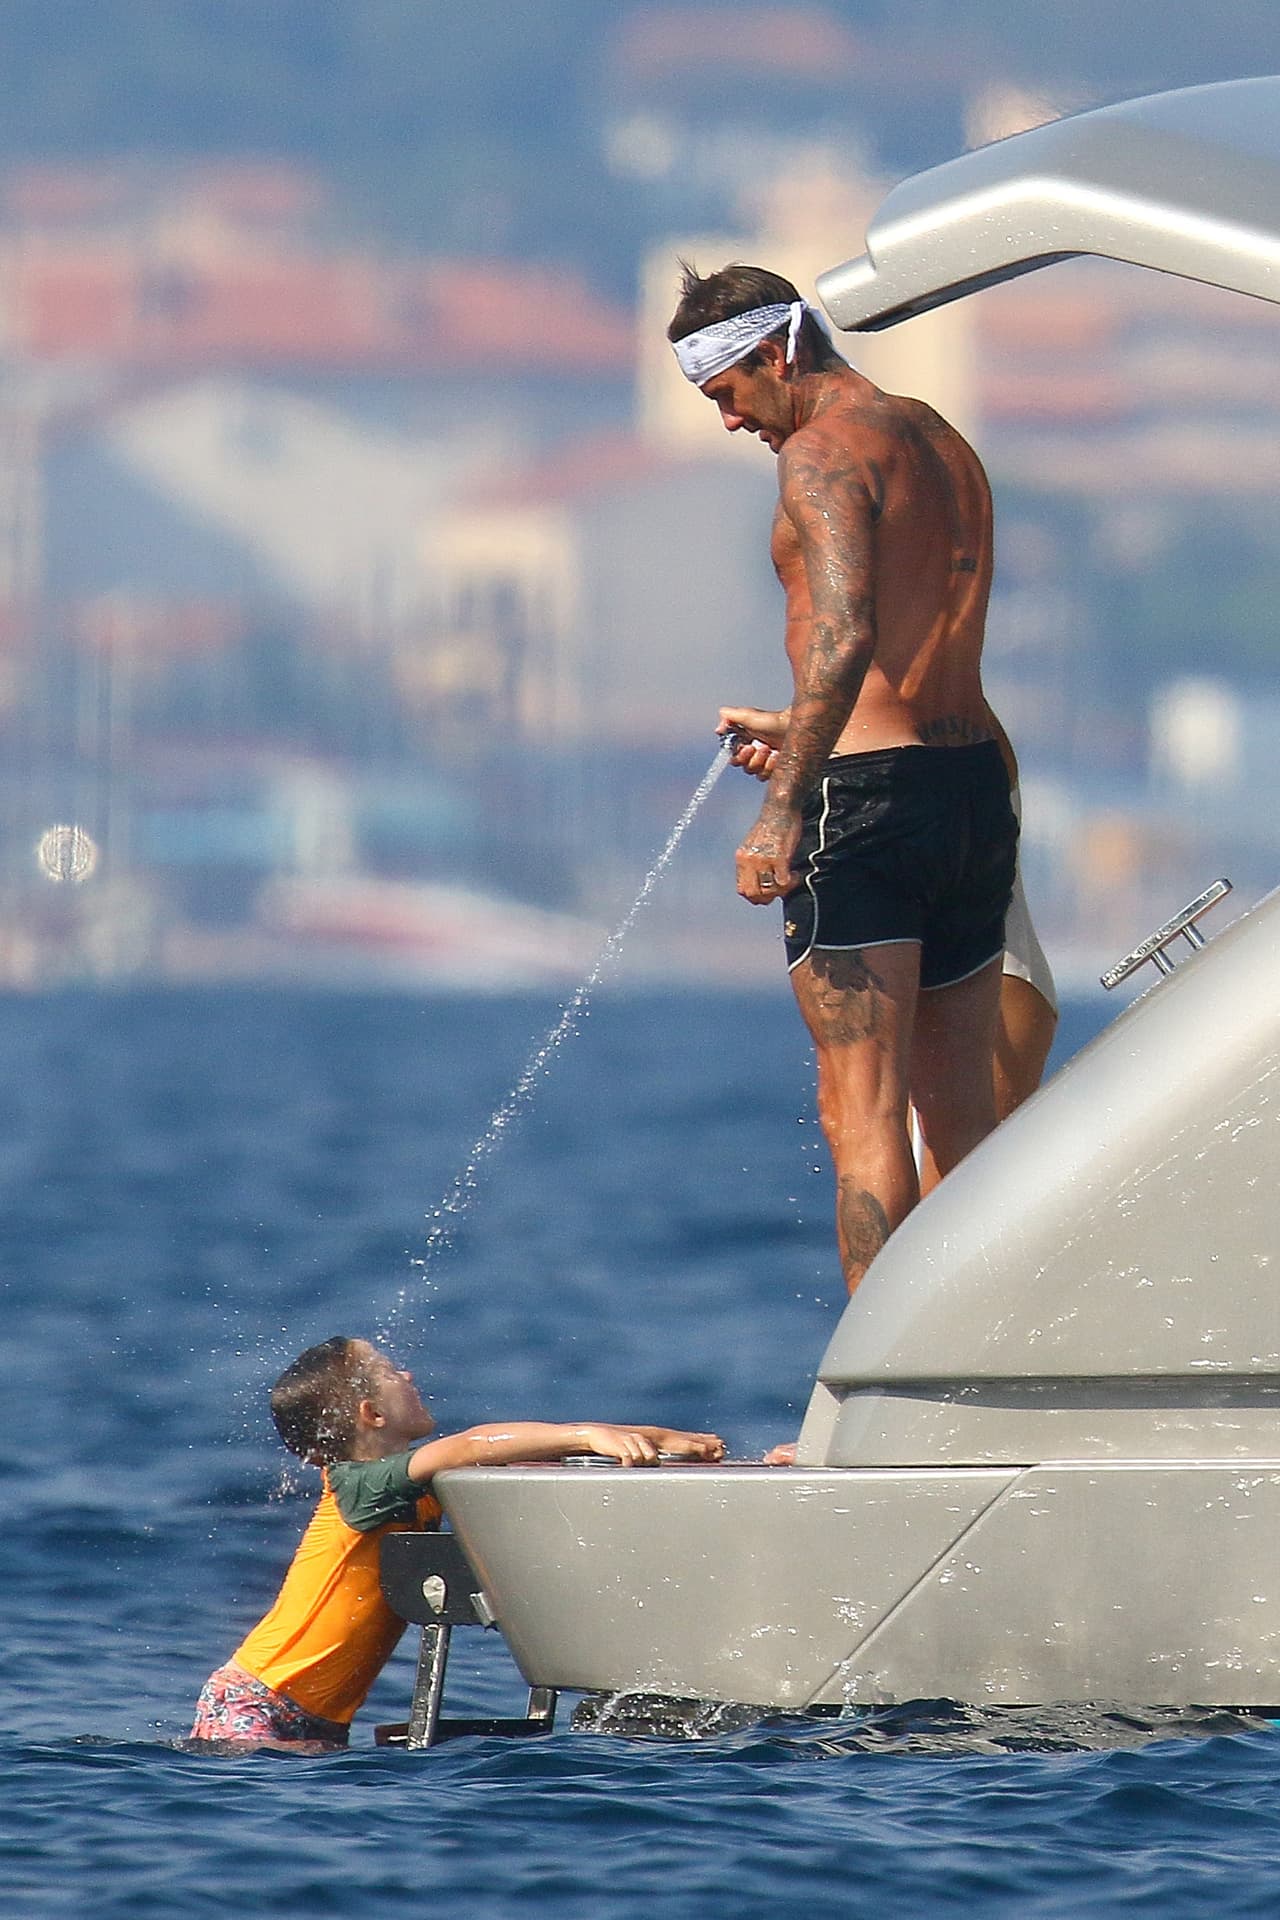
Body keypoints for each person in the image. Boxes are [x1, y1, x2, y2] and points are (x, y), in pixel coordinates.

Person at [668, 261, 1020, 1293]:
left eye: (727, 395)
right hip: (968, 792)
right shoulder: (936, 438)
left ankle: (881, 1396)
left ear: (773, 356)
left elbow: (847, 628)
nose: (731, 424)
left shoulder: (820, 455)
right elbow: (911, 648)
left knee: (859, 1115)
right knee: (962, 1119)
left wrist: (781, 810)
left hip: (862, 810)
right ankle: (977, 1375)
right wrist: (803, 729)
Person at [190, 1335, 724, 1750]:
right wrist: (584, 1434)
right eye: (388, 1371)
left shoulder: (419, 1486)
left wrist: (655, 1439)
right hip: (258, 1701)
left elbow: (513, 1455)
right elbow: (472, 1444)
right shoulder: (356, 1485)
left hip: (319, 1715)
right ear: (371, 1415)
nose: (408, 1373)